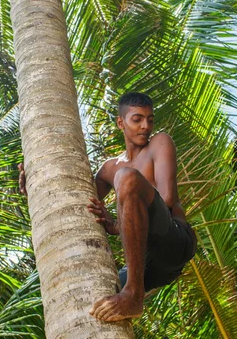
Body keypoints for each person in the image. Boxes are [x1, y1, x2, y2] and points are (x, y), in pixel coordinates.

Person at [19, 92, 196, 322]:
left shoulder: (159, 143)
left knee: (127, 178)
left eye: (150, 119)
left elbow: (168, 198)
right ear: (120, 122)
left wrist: (115, 225)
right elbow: (72, 201)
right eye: (137, 119)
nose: (146, 126)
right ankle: (130, 293)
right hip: (145, 264)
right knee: (87, 299)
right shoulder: (109, 169)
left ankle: (133, 295)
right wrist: (34, 182)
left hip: (174, 241)